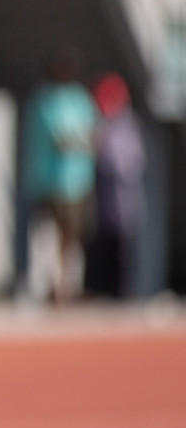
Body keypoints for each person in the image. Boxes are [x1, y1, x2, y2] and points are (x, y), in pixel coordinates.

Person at [22, 46, 98, 304]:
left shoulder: (79, 100)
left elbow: (94, 136)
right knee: (47, 234)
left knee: (72, 237)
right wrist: (82, 143)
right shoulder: (45, 101)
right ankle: (47, 287)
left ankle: (69, 287)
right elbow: (62, 140)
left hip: (76, 181)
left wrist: (83, 143)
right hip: (49, 181)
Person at [86, 72, 145, 298]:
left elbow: (128, 163)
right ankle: (99, 293)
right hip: (101, 206)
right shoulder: (100, 124)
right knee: (98, 254)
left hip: (124, 204)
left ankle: (121, 295)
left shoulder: (128, 126)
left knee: (122, 256)